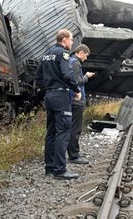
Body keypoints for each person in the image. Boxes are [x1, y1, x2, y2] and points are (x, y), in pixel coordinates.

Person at [36, 29, 81, 180]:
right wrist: (76, 90)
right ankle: (60, 170)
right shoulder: (63, 54)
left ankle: (49, 168)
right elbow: (67, 74)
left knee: (51, 133)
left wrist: (48, 88)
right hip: (61, 96)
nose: (72, 42)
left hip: (49, 95)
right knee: (63, 132)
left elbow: (38, 77)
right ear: (64, 40)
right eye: (71, 39)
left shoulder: (46, 54)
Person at [67, 44, 95, 164]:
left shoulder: (68, 61)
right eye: (86, 55)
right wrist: (87, 76)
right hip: (76, 101)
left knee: (69, 127)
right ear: (81, 52)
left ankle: (72, 152)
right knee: (75, 128)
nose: (86, 58)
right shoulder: (75, 63)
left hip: (71, 99)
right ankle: (74, 155)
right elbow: (77, 81)